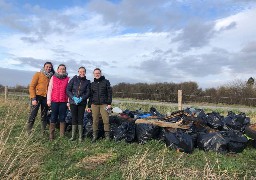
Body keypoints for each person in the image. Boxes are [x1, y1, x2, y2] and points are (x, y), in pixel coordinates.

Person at [27, 62, 54, 135]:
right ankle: (28, 132)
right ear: (44, 67)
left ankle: (43, 132)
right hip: (37, 97)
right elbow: (32, 86)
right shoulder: (38, 74)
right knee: (33, 114)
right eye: (47, 66)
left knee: (44, 115)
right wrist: (33, 98)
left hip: (45, 98)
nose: (48, 68)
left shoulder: (51, 77)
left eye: (50, 67)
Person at [87, 68, 112, 142]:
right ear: (93, 74)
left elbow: (109, 93)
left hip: (104, 104)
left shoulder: (106, 82)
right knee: (95, 121)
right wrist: (89, 106)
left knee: (106, 120)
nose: (97, 74)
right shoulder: (92, 84)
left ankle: (107, 137)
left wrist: (109, 103)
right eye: (95, 73)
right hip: (94, 105)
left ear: (101, 73)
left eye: (98, 73)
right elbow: (90, 96)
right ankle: (95, 136)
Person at [66, 67, 91, 142]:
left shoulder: (87, 82)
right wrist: (73, 97)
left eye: (83, 71)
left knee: (80, 118)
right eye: (80, 71)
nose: (82, 73)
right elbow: (68, 89)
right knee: (74, 118)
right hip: (73, 102)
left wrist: (81, 98)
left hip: (82, 103)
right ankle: (73, 136)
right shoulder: (74, 79)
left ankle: (80, 137)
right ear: (78, 72)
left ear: (85, 72)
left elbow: (88, 93)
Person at [47, 64, 69, 140]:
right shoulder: (53, 78)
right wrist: (48, 100)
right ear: (57, 70)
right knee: (53, 117)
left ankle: (62, 136)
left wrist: (68, 101)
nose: (62, 70)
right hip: (54, 101)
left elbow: (69, 91)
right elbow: (50, 89)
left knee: (62, 117)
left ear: (65, 70)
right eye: (60, 69)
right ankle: (51, 136)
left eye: (63, 69)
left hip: (63, 101)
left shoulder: (68, 79)